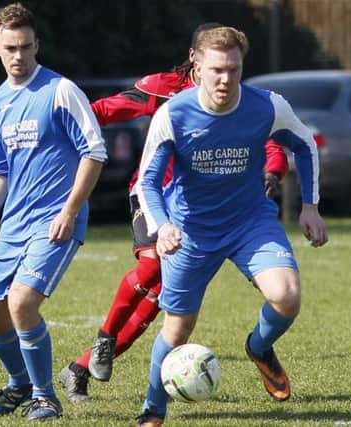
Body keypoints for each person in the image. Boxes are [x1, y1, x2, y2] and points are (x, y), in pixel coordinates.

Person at [58, 22, 290, 403]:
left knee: (167, 295)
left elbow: (269, 140)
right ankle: (104, 340)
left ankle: (81, 366)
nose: (223, 74)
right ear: (194, 59)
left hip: (197, 209)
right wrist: (67, 131)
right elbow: (105, 110)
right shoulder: (165, 90)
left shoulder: (238, 97)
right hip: (152, 195)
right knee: (151, 265)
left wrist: (271, 171)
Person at [131, 26, 328, 426]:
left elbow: (304, 144)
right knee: (177, 328)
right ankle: (153, 410)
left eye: (234, 70)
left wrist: (310, 206)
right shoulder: (174, 114)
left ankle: (259, 347)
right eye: (217, 69)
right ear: (196, 64)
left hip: (249, 220)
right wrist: (162, 226)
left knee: (287, 296)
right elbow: (148, 181)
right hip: (190, 231)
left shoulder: (267, 106)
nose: (225, 79)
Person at [0, 3, 107, 421]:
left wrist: (70, 209)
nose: (19, 55)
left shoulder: (60, 91)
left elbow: (93, 152)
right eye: (10, 47)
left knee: (22, 303)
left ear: (37, 44)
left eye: (26, 46)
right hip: (15, 224)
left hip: (56, 221)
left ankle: (46, 396)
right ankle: (19, 383)